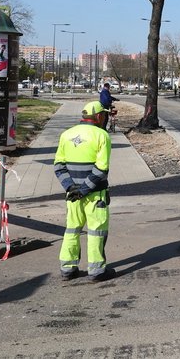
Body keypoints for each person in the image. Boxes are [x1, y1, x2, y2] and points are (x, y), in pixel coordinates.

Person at [54, 101, 113, 282]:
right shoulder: (102, 136)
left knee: (72, 229)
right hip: (95, 195)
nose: (106, 118)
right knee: (96, 231)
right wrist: (85, 189)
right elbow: (101, 168)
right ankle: (96, 272)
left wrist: (71, 188)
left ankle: (67, 268)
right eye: (104, 115)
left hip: (72, 196)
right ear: (99, 116)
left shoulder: (66, 135)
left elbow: (59, 165)